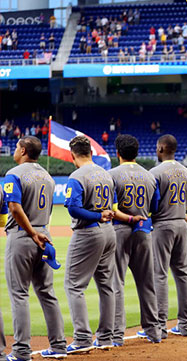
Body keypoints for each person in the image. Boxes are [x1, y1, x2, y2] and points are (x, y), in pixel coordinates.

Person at [4, 136, 67, 359]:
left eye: (18, 147)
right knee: (47, 292)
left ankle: (21, 350)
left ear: (22, 150)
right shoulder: (49, 178)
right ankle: (59, 346)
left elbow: (13, 207)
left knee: (19, 294)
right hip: (45, 236)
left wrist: (31, 233)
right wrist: (39, 233)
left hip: (23, 236)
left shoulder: (14, 174)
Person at [149, 135, 187, 338]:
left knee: (160, 274)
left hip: (162, 224)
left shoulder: (155, 172)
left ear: (160, 148)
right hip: (181, 224)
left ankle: (159, 326)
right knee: (183, 274)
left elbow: (151, 205)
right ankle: (186, 324)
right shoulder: (186, 172)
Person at [63, 135, 117, 353]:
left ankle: (83, 338)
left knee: (74, 285)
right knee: (106, 285)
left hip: (88, 232)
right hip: (109, 233)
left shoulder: (77, 175)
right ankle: (105, 338)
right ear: (91, 153)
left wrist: (96, 216)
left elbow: (73, 209)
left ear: (72, 155)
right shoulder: (105, 174)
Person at [109, 135, 162, 345]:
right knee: (147, 282)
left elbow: (110, 209)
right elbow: (155, 208)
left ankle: (116, 334)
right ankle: (154, 331)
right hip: (143, 230)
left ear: (118, 153)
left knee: (116, 282)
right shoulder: (149, 177)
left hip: (119, 230)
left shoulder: (111, 175)